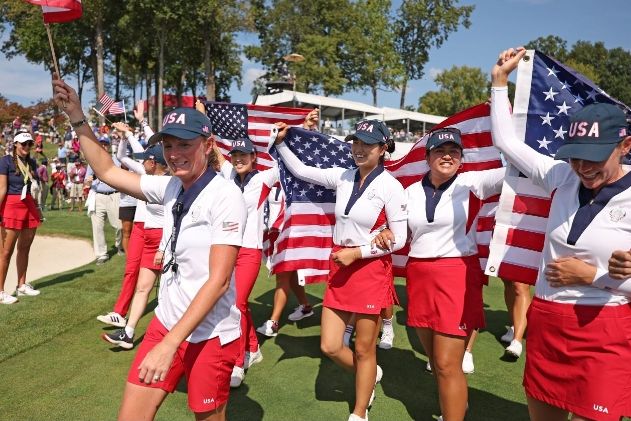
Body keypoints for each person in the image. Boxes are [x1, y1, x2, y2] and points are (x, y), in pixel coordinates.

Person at [53, 76, 245, 421]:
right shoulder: (171, 185)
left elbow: (218, 281)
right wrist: (78, 117)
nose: (174, 154)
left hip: (210, 335)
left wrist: (170, 345)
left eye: (185, 145)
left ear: (208, 144)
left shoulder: (227, 196)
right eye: (168, 145)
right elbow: (109, 171)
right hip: (166, 323)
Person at [491, 47, 631, 421]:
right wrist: (500, 82)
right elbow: (507, 143)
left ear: (625, 146)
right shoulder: (560, 176)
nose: (583, 167)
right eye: (576, 155)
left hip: (604, 331)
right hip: (547, 322)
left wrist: (595, 277)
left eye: (595, 156)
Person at [274, 119, 406, 421]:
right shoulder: (344, 176)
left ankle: (359, 412)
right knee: (331, 346)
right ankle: (369, 375)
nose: (358, 149)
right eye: (355, 142)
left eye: (366, 144)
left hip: (370, 268)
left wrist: (358, 252)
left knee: (363, 348)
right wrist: (281, 142)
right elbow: (302, 171)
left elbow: (399, 239)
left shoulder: (392, 186)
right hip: (341, 265)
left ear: (383, 148)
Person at [375, 128, 504, 421]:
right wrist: (384, 233)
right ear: (427, 156)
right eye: (440, 150)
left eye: (454, 151)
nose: (447, 155)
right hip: (419, 275)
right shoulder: (408, 193)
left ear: (461, 158)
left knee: (447, 364)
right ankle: (456, 405)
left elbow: (514, 169)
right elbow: (400, 236)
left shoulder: (473, 183)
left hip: (457, 274)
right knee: (436, 361)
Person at [212, 134, 281, 388]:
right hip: (226, 248)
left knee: (237, 304)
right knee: (236, 303)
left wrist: (299, 130)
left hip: (250, 251)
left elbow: (284, 164)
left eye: (244, 155)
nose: (238, 159)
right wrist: (202, 116)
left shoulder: (263, 179)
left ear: (254, 158)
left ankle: (238, 362)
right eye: (235, 155)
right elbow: (216, 152)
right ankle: (253, 346)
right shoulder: (229, 174)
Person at [101, 130, 168, 350]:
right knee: (143, 287)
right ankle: (128, 334)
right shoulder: (148, 179)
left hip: (164, 241)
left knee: (170, 290)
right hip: (149, 235)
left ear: (153, 162)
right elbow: (117, 165)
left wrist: (163, 246)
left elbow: (174, 220)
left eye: (146, 160)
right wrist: (125, 136)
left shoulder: (172, 184)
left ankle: (176, 335)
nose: (141, 164)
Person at [0, 132, 42, 304]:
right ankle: (0, 291)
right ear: (15, 144)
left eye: (29, 144)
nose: (26, 147)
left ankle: (21, 285)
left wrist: (38, 208)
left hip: (28, 206)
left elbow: (34, 188)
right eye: (23, 144)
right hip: (11, 206)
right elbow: (2, 188)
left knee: (24, 248)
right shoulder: (5, 161)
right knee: (5, 252)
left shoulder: (32, 162)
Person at [86, 138, 122, 265]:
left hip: (114, 195)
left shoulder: (116, 160)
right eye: (100, 144)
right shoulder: (92, 161)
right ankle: (101, 254)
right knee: (97, 226)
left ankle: (120, 245)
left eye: (105, 144)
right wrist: (88, 181)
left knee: (119, 226)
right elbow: (87, 180)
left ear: (108, 146)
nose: (103, 146)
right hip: (98, 195)